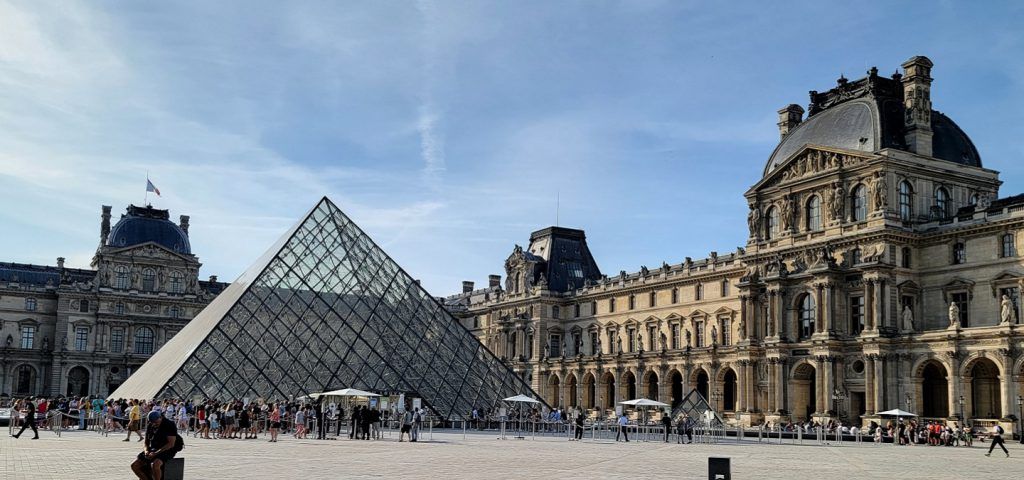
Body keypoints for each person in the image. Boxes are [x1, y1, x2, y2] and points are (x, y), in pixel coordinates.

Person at [131, 411, 180, 480]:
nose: (154, 424)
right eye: (152, 422)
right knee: (134, 465)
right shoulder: (151, 425)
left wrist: (156, 453)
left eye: (156, 422)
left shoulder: (169, 424)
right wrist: (146, 451)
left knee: (155, 464)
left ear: (161, 418)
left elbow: (171, 444)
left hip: (167, 449)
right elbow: (146, 442)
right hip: (153, 448)